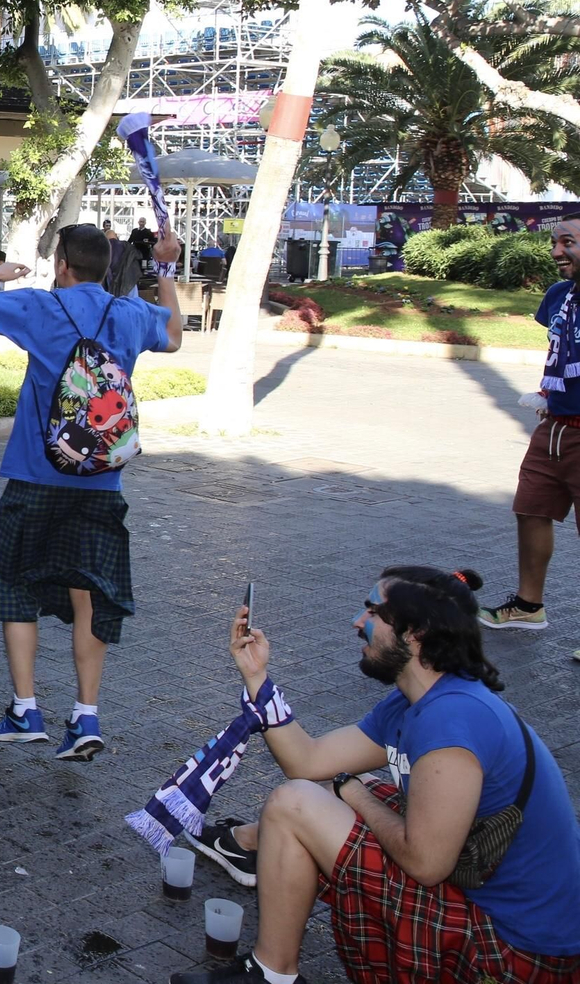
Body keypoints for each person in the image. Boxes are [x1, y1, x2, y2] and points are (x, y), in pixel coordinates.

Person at [170, 567, 580, 984]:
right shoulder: (415, 701)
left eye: (372, 611)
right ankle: (273, 970)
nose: (358, 622)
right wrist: (256, 677)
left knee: (297, 803)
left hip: (516, 950)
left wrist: (355, 793)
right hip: (484, 902)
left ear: (414, 632)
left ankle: (273, 973)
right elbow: (308, 760)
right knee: (319, 790)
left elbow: (426, 863)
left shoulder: (453, 720)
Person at [0, 222, 182, 760]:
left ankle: (26, 708)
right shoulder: (128, 313)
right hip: (102, 482)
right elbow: (173, 335)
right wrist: (164, 268)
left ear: (63, 266)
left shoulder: (38, 307)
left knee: (15, 586)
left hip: (34, 476)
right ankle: (86, 716)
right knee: (89, 593)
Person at [480, 218, 580, 645]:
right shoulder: (559, 295)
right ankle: (528, 607)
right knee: (532, 509)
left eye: (568, 242)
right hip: (554, 425)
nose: (557, 251)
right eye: (555, 242)